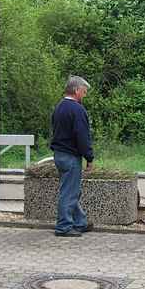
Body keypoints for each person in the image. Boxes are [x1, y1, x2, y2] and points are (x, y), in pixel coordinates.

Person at [50, 75, 94, 237]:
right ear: (76, 90)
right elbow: (82, 136)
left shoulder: (59, 107)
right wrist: (89, 157)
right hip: (70, 157)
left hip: (59, 155)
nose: (84, 94)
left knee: (71, 190)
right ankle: (63, 227)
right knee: (69, 192)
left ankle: (79, 222)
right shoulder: (77, 110)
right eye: (84, 91)